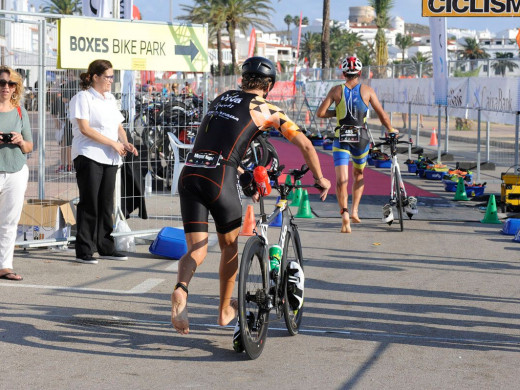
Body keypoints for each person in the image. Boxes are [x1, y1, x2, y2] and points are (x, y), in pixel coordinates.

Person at [171, 56, 331, 335]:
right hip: (219, 177)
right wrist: (319, 178)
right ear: (269, 85)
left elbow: (222, 137)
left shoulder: (222, 98)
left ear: (243, 80)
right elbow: (305, 143)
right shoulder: (268, 108)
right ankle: (223, 311)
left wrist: (244, 172)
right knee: (229, 247)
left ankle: (181, 290)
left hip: (191, 171)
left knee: (196, 250)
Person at [317, 55, 397, 233]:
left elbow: (320, 113)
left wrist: (338, 113)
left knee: (341, 181)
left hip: (342, 137)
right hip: (361, 137)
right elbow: (382, 115)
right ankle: (354, 211)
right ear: (360, 72)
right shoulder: (368, 90)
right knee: (359, 175)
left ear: (344, 73)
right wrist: (391, 128)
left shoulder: (336, 90)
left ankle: (344, 212)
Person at [69, 59, 138, 264]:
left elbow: (118, 127)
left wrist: (125, 143)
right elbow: (85, 129)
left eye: (112, 76)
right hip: (88, 155)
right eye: (107, 76)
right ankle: (84, 249)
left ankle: (106, 246)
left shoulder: (109, 98)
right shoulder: (82, 97)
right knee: (90, 203)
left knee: (107, 204)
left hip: (110, 158)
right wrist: (112, 144)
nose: (111, 80)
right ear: (95, 77)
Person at [0, 66, 33, 280]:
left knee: (9, 221)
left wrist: (20, 141)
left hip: (16, 171)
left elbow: (30, 146)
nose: (6, 87)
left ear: (16, 87)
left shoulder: (20, 111)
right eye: (2, 83)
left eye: (10, 84)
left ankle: (5, 266)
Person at [57, 72, 80, 173]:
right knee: (72, 142)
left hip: (70, 118)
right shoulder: (82, 85)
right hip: (79, 118)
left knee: (67, 143)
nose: (69, 77)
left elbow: (64, 99)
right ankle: (70, 164)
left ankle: (70, 165)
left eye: (71, 75)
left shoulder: (70, 85)